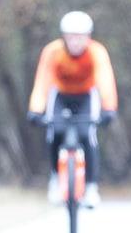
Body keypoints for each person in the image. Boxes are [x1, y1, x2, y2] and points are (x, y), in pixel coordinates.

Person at [27, 11, 118, 207]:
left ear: (88, 37)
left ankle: (91, 188)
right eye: (71, 37)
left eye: (80, 37)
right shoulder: (53, 52)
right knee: (56, 132)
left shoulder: (96, 52)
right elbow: (43, 81)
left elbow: (105, 80)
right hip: (60, 95)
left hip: (86, 96)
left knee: (87, 135)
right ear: (64, 37)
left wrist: (109, 109)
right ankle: (55, 179)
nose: (75, 42)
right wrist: (35, 110)